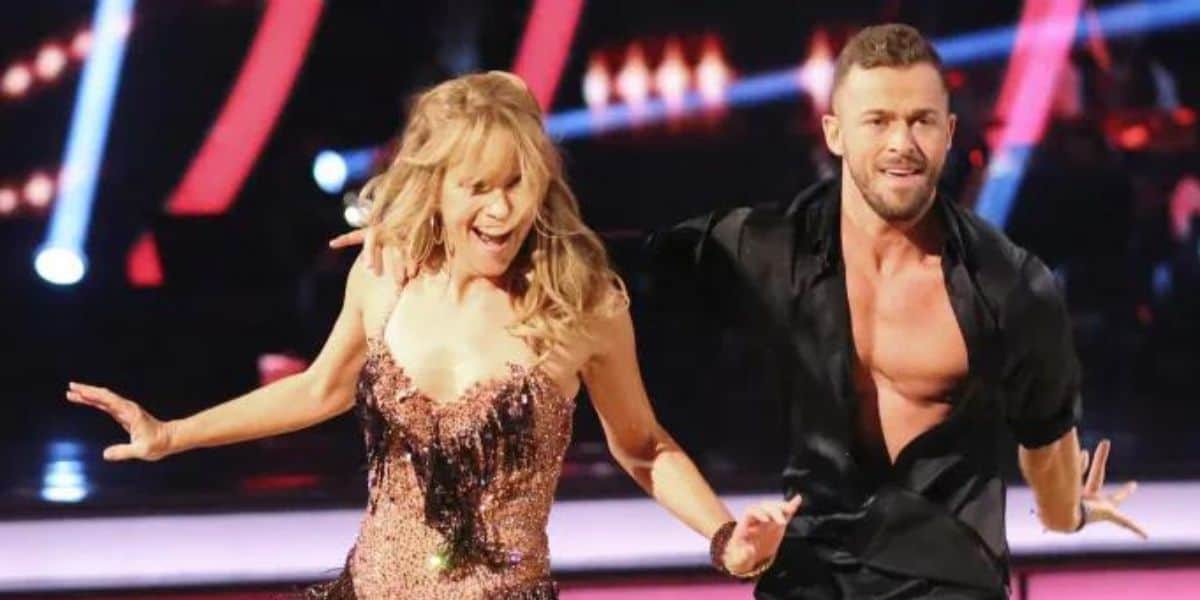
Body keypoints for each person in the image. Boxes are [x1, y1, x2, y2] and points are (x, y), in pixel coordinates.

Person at [344, 26, 1148, 599]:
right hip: (810, 567)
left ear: (949, 133)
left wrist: (1070, 511)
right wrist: (428, 227)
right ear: (834, 131)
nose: (900, 142)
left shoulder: (1014, 287)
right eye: (878, 120)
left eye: (919, 121)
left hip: (948, 574)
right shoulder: (767, 246)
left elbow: (1049, 465)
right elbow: (600, 252)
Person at [66, 71, 801, 599]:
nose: (503, 209)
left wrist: (723, 539)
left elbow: (644, 446)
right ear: (437, 187)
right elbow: (321, 389)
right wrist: (173, 435)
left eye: (518, 182)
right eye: (477, 187)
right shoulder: (384, 274)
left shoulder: (581, 301)